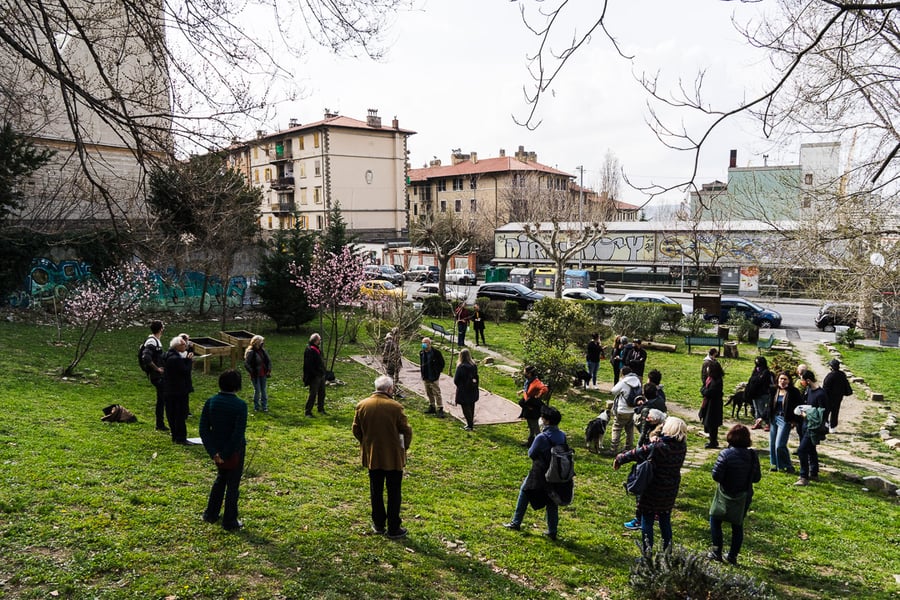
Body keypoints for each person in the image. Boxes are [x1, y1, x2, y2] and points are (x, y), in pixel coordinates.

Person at [614, 417, 688, 553]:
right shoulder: (681, 447)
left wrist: (620, 458)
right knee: (665, 519)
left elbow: (637, 453)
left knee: (647, 520)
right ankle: (667, 553)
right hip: (670, 488)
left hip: (653, 487)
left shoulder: (658, 446)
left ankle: (647, 554)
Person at [352, 375, 413, 539]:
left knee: (376, 490)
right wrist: (402, 447)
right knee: (394, 492)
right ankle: (394, 527)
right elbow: (406, 431)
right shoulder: (395, 407)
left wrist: (366, 443)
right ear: (389, 389)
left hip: (373, 456)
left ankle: (378, 524)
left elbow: (356, 429)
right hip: (393, 457)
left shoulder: (362, 405)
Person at [503, 405, 571, 540]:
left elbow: (531, 453)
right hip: (556, 473)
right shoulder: (562, 435)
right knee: (552, 501)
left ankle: (516, 522)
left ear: (546, 421)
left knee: (524, 492)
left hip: (540, 472)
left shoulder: (541, 437)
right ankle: (552, 531)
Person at [200, 369, 248, 531]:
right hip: (234, 451)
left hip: (218, 449)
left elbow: (204, 430)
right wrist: (227, 454)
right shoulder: (240, 406)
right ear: (237, 386)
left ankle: (211, 514)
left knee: (220, 479)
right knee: (233, 485)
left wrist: (214, 453)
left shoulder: (211, 401)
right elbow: (238, 434)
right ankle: (230, 521)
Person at [708, 424, 761, 566]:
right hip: (744, 495)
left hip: (724, 493)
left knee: (715, 520)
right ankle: (732, 556)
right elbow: (756, 478)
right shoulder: (752, 455)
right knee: (737, 525)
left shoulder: (725, 454)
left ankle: (716, 551)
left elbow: (716, 476)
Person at [623, 408, 667, 531]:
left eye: (649, 418)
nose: (646, 419)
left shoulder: (657, 434)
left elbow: (644, 450)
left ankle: (639, 520)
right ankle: (649, 516)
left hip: (647, 466)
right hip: (651, 467)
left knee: (642, 494)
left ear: (656, 420)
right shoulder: (650, 427)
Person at [795, 370, 828, 486]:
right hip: (805, 424)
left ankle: (803, 476)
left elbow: (822, 413)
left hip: (813, 427)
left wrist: (807, 415)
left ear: (808, 380)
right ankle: (814, 472)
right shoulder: (809, 390)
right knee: (811, 449)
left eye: (803, 380)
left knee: (801, 450)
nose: (801, 383)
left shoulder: (821, 394)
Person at [768, 371, 803, 473]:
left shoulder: (793, 392)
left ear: (789, 381)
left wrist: (795, 420)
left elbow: (799, 406)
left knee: (780, 445)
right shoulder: (774, 390)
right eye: (780, 379)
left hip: (785, 420)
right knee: (772, 443)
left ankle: (787, 465)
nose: (782, 381)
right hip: (774, 418)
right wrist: (764, 418)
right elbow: (770, 405)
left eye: (785, 379)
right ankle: (774, 464)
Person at [163, 335, 194, 445]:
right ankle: (181, 437)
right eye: (183, 344)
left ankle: (175, 435)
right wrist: (189, 361)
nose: (185, 346)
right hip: (179, 391)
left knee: (172, 414)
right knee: (180, 414)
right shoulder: (175, 359)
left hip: (169, 390)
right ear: (177, 346)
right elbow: (185, 371)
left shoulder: (168, 355)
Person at [140, 320, 167, 432]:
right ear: (161, 329)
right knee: (161, 399)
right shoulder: (152, 341)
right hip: (156, 376)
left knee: (162, 399)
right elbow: (146, 357)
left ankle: (160, 423)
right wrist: (157, 369)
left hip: (158, 375)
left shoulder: (155, 341)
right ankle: (159, 424)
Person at [609, 366, 641, 454]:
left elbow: (613, 391)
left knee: (617, 428)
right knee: (630, 430)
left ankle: (613, 448)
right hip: (633, 409)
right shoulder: (637, 380)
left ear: (622, 374)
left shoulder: (623, 382)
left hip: (622, 409)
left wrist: (620, 381)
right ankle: (628, 448)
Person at [517, 366, 548, 447]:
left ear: (529, 374)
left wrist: (539, 395)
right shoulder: (528, 381)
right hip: (527, 406)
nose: (524, 373)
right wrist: (522, 391)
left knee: (535, 427)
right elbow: (527, 390)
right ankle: (530, 442)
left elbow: (544, 388)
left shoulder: (536, 382)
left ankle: (540, 445)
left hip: (533, 407)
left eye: (525, 372)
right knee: (530, 426)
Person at [822, 358, 852, 432]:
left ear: (831, 367)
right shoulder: (842, 374)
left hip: (829, 397)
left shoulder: (830, 376)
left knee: (826, 412)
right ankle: (833, 427)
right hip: (838, 397)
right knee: (835, 412)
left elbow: (825, 387)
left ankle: (825, 425)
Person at [700, 360, 724, 449]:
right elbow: (703, 388)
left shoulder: (717, 381)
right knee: (708, 423)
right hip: (709, 403)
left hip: (714, 405)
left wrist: (704, 391)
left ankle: (713, 442)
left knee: (712, 424)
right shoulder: (710, 378)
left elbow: (709, 392)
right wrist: (703, 391)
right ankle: (712, 440)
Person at [243, 335, 272, 412]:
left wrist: (269, 369)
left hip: (263, 373)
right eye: (261, 343)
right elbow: (246, 364)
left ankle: (264, 406)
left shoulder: (263, 351)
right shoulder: (251, 352)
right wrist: (252, 371)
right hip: (255, 374)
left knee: (264, 390)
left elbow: (268, 361)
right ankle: (256, 407)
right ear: (256, 343)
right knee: (257, 390)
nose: (263, 344)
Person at [453, 348, 479, 431]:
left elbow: (456, 380)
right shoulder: (473, 366)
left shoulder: (461, 366)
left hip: (463, 390)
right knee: (471, 405)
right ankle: (471, 423)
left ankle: (469, 425)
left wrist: (460, 386)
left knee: (465, 407)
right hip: (472, 388)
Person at [419, 337, 445, 417]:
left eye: (425, 342)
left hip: (433, 376)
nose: (424, 344)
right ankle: (432, 406)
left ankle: (440, 408)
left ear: (429, 344)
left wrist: (437, 372)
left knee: (436, 392)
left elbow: (442, 363)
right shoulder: (422, 353)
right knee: (428, 392)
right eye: (423, 342)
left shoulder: (436, 353)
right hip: (426, 376)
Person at [746, 356, 773, 431]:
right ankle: (758, 423)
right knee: (756, 409)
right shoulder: (755, 370)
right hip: (754, 393)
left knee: (762, 409)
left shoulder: (766, 372)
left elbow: (762, 381)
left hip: (762, 393)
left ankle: (768, 423)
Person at [303, 333, 327, 416]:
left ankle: (321, 409)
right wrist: (315, 373)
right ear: (316, 340)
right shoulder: (310, 350)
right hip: (315, 376)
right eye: (319, 339)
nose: (320, 341)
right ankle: (308, 411)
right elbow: (309, 365)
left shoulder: (317, 349)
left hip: (320, 375)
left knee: (322, 393)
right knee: (313, 394)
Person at [381, 331, 403, 397]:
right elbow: (385, 353)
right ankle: (389, 392)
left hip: (396, 362)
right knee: (390, 377)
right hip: (391, 362)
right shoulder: (390, 341)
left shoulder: (395, 341)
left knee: (395, 378)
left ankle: (395, 391)